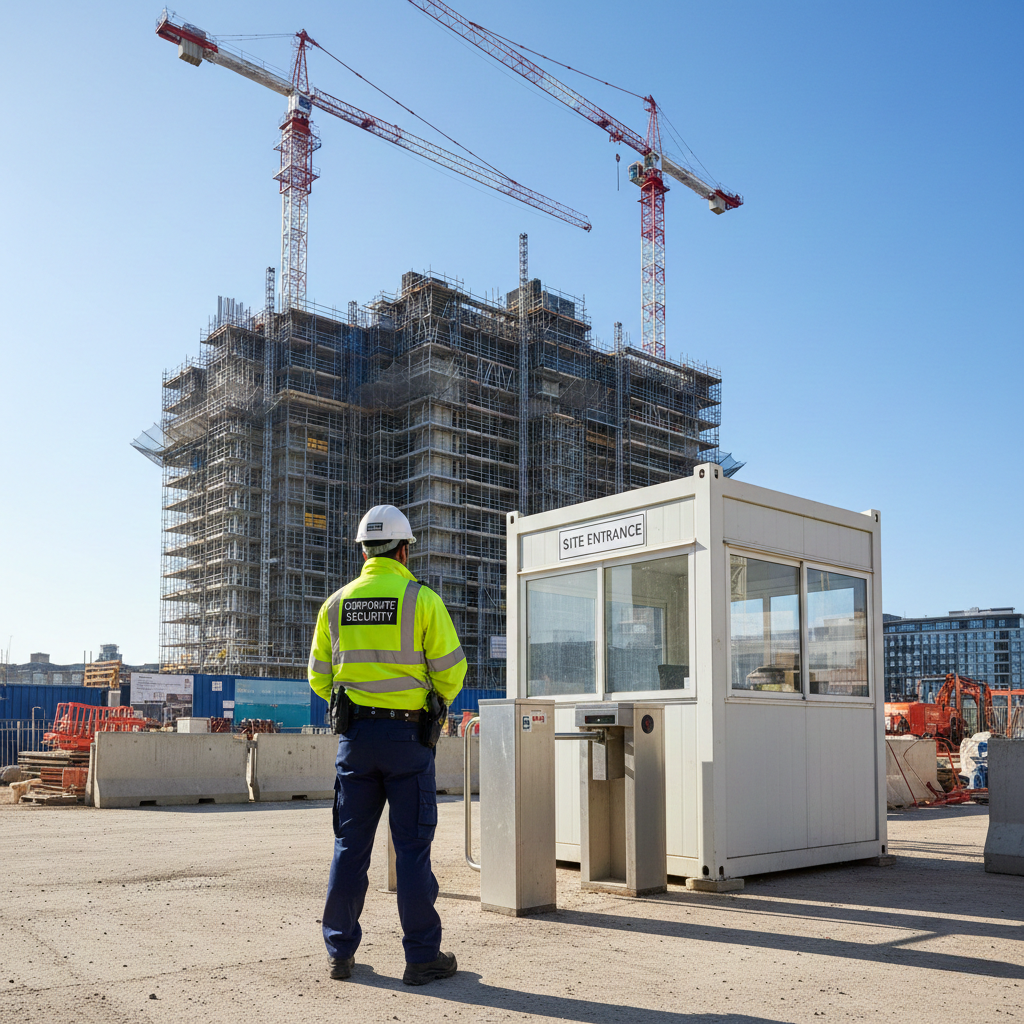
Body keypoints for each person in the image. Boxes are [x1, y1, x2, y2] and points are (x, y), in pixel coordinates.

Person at [308, 504, 467, 985]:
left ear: (362, 550)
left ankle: (339, 952)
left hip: (355, 741)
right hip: (408, 740)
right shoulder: (422, 600)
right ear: (403, 548)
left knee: (349, 847)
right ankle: (421, 958)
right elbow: (452, 672)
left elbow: (319, 679)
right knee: (412, 850)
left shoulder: (334, 604)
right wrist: (426, 700)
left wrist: (359, 697)